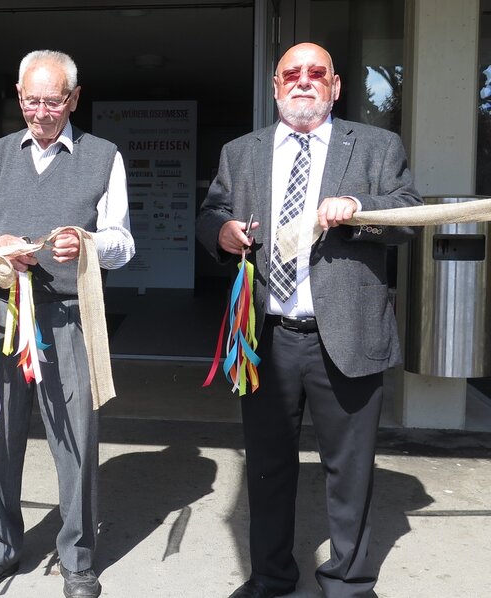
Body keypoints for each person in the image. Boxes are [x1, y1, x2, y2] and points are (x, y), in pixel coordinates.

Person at [196, 43, 421, 598]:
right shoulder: (241, 152)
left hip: (345, 336)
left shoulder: (375, 145)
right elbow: (212, 212)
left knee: (350, 472)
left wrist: (360, 208)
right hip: (266, 338)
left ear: (335, 86)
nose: (303, 82)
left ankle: (349, 583)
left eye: (315, 73)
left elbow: (408, 213)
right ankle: (271, 579)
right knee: (268, 470)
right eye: (291, 74)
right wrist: (222, 234)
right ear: (275, 87)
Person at [0, 50, 135, 598]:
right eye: (31, 101)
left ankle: (77, 558)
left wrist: (89, 244)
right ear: (19, 95)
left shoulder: (104, 156)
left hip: (70, 319)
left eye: (53, 102)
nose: (42, 112)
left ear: (74, 99)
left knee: (76, 440)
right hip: (1, 317)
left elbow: (123, 241)